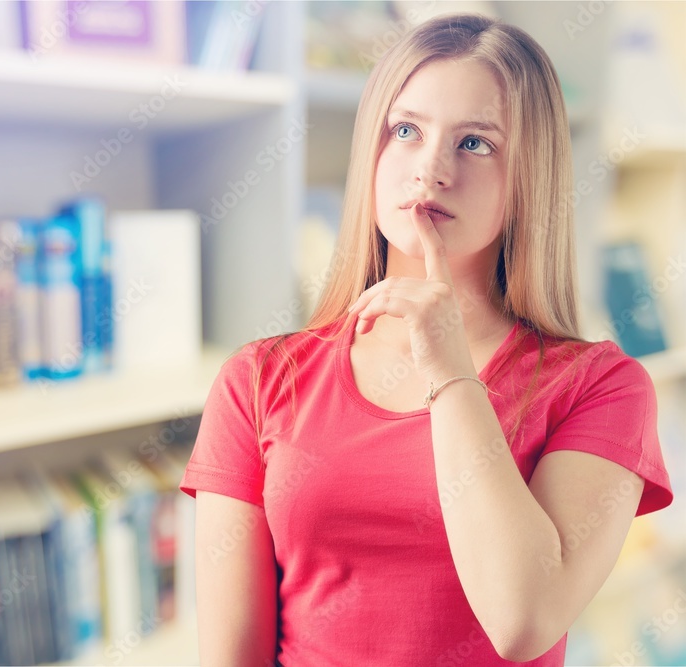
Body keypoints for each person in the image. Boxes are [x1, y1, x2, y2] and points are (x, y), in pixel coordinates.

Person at [178, 12, 674, 666]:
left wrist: (450, 370)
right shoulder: (258, 379)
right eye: (406, 130)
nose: (431, 169)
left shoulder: (602, 387)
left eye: (475, 143)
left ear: (528, 179)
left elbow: (523, 619)